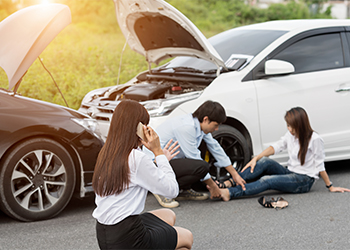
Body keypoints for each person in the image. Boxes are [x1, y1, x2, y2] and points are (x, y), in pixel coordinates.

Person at [92, 100, 193, 250]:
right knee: (186, 237)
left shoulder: (107, 151)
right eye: (144, 125)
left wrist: (160, 160)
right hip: (128, 239)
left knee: (168, 215)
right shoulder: (136, 157)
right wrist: (159, 153)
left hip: (105, 234)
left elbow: (134, 174)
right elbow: (172, 191)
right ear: (137, 127)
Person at [210, 107, 350, 203]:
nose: (288, 129)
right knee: (265, 162)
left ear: (300, 125)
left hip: (303, 181)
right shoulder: (291, 135)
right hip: (291, 172)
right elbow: (275, 147)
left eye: (290, 126)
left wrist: (330, 186)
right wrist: (256, 159)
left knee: (267, 180)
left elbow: (320, 166)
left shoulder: (315, 139)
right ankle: (229, 182)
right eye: (287, 125)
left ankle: (229, 192)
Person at [152, 100, 246, 208]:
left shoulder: (198, 125)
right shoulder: (186, 127)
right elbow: (194, 158)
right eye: (215, 125)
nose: (217, 129)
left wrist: (235, 175)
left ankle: (182, 190)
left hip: (168, 161)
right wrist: (214, 187)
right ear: (206, 119)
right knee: (201, 166)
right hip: (155, 165)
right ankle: (161, 189)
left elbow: (215, 148)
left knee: (200, 163)